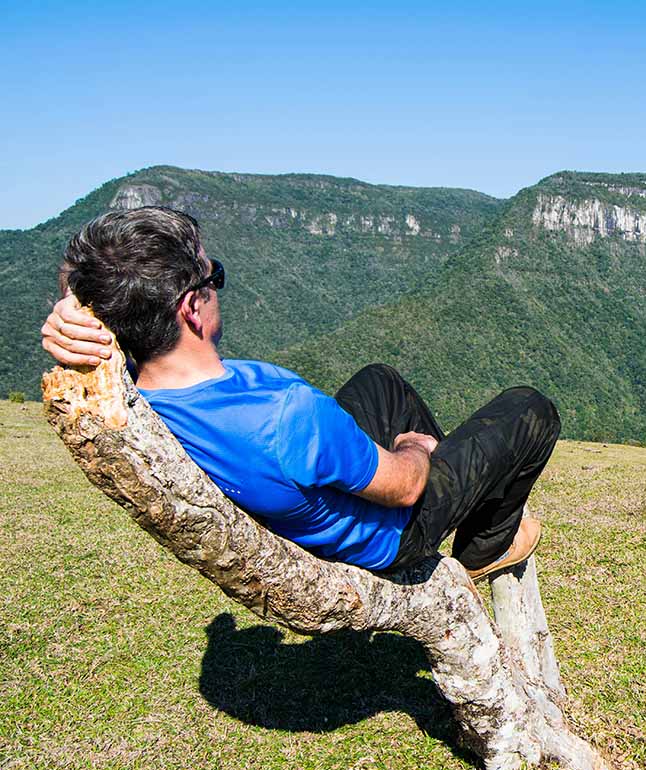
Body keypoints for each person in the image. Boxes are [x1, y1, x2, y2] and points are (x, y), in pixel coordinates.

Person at [41, 206, 557, 581]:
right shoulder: (289, 417)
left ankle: (465, 502)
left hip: (296, 488)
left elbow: (89, 291)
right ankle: (485, 544)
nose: (219, 284)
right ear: (191, 309)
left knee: (381, 381)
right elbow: (404, 487)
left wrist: (70, 313)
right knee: (531, 408)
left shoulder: (137, 396)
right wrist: (413, 452)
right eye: (213, 276)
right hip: (387, 535)